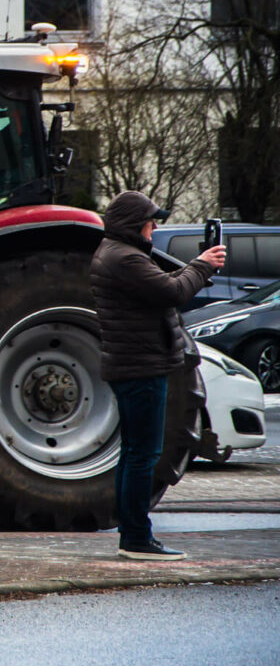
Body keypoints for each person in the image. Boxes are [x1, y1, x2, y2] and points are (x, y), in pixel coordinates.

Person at [90, 191, 225, 560]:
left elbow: (160, 288)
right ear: (136, 224)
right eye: (151, 221)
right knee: (143, 454)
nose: (154, 228)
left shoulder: (116, 253)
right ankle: (135, 537)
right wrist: (201, 265)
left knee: (133, 452)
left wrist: (195, 268)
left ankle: (131, 530)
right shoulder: (126, 258)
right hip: (142, 367)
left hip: (131, 365)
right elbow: (173, 291)